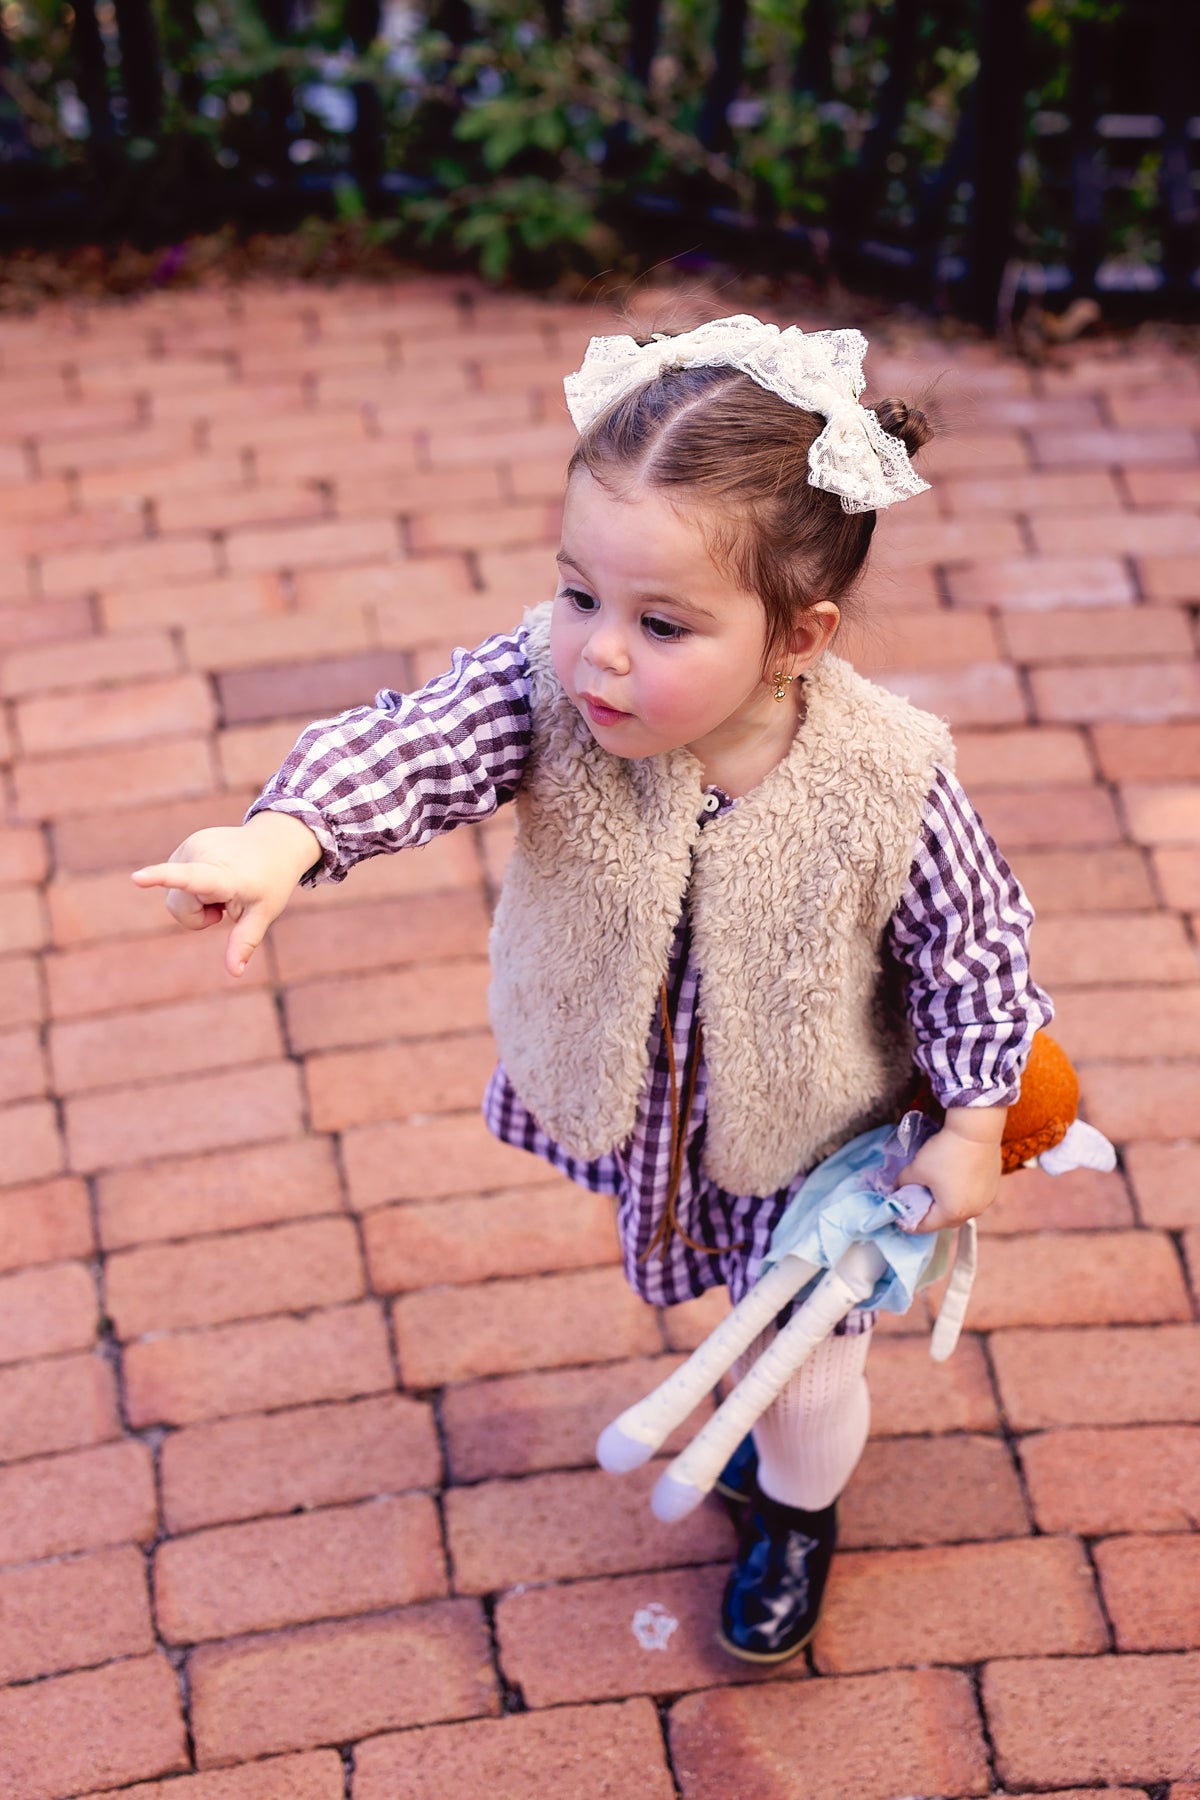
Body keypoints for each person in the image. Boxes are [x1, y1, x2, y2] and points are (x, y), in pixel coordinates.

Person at [132, 314, 1051, 1666]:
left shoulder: (887, 779)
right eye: (580, 596)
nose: (598, 654)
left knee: (805, 1367)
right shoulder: (548, 697)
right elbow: (419, 743)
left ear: (797, 637)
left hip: (823, 1140)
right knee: (727, 1313)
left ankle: (798, 1512)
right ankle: (769, 1435)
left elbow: (975, 947)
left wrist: (974, 1124)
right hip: (661, 1099)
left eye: (660, 622)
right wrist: (288, 836)